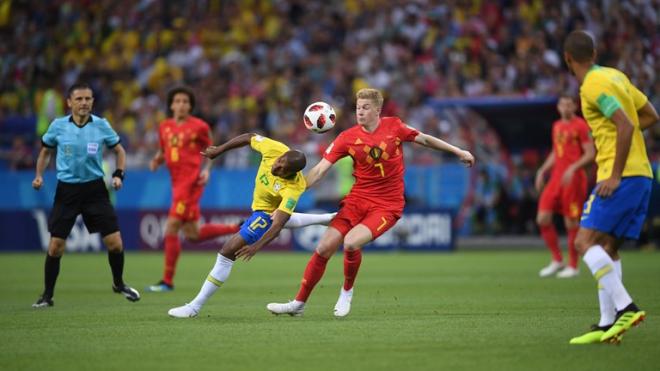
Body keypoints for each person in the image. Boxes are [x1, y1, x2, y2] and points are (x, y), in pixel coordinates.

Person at [267, 88, 475, 317]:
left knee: (351, 243)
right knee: (323, 247)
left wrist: (458, 150)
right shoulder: (346, 138)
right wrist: (291, 194)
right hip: (357, 199)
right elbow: (318, 172)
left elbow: (424, 139)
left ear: (377, 110)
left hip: (388, 204)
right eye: (358, 108)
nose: (360, 112)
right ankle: (298, 304)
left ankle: (346, 292)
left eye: (366, 108)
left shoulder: (394, 126)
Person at [167, 133, 336, 318]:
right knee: (278, 216)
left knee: (227, 251)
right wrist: (219, 150)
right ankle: (328, 218)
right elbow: (248, 137)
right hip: (264, 209)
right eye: (279, 162)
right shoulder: (274, 148)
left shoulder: (293, 188)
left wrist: (257, 246)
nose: (276, 167)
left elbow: (278, 224)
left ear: (291, 174)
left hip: (264, 213)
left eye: (282, 169)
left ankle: (194, 307)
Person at [562, 31, 659, 344]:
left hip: (622, 177)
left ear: (568, 59)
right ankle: (608, 325)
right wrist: (613, 136)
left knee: (582, 242)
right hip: (642, 175)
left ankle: (626, 308)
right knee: (608, 248)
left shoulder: (591, 84)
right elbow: (649, 116)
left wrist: (615, 173)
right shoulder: (616, 76)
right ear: (594, 52)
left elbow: (626, 124)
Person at [31, 82, 140, 308]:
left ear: (92, 102)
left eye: (87, 99)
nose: (83, 103)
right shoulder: (58, 126)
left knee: (116, 244)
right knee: (55, 247)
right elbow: (45, 152)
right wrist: (39, 175)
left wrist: (119, 174)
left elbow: (120, 150)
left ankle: (118, 284)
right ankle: (47, 295)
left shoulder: (101, 125)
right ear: (69, 102)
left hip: (95, 191)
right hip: (67, 191)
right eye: (79, 99)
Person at [146, 87, 241, 292]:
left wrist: (207, 170)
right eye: (177, 101)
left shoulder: (199, 126)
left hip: (190, 183)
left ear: (190, 106)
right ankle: (236, 228)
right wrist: (157, 159)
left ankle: (167, 281)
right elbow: (164, 150)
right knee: (192, 234)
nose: (181, 105)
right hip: (175, 182)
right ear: (171, 105)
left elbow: (211, 152)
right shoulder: (164, 127)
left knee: (171, 227)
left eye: (185, 101)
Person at [535, 94, 595, 278]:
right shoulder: (557, 126)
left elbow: (590, 153)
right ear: (559, 107)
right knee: (542, 218)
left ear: (575, 107)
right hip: (556, 178)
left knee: (571, 221)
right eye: (563, 105)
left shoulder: (581, 126)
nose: (566, 108)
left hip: (574, 179)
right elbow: (556, 151)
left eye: (569, 105)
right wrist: (542, 170)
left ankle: (573, 266)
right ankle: (557, 259)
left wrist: (573, 168)